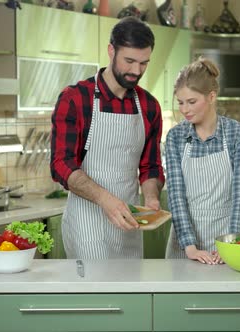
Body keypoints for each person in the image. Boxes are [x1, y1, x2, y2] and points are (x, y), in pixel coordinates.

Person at [50, 17, 165, 259]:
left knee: (132, 295)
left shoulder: (149, 106)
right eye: (130, 61)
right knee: (98, 295)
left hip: (130, 225)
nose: (136, 71)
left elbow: (150, 166)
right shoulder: (75, 98)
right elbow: (61, 164)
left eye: (144, 63)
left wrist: (152, 197)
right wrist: (105, 199)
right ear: (111, 51)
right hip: (87, 226)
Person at [164, 58, 240, 264]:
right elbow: (176, 197)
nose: (184, 109)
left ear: (211, 96)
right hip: (184, 245)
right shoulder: (175, 137)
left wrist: (231, 244)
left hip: (225, 241)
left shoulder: (237, 134)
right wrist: (190, 247)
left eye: (192, 102)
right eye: (180, 102)